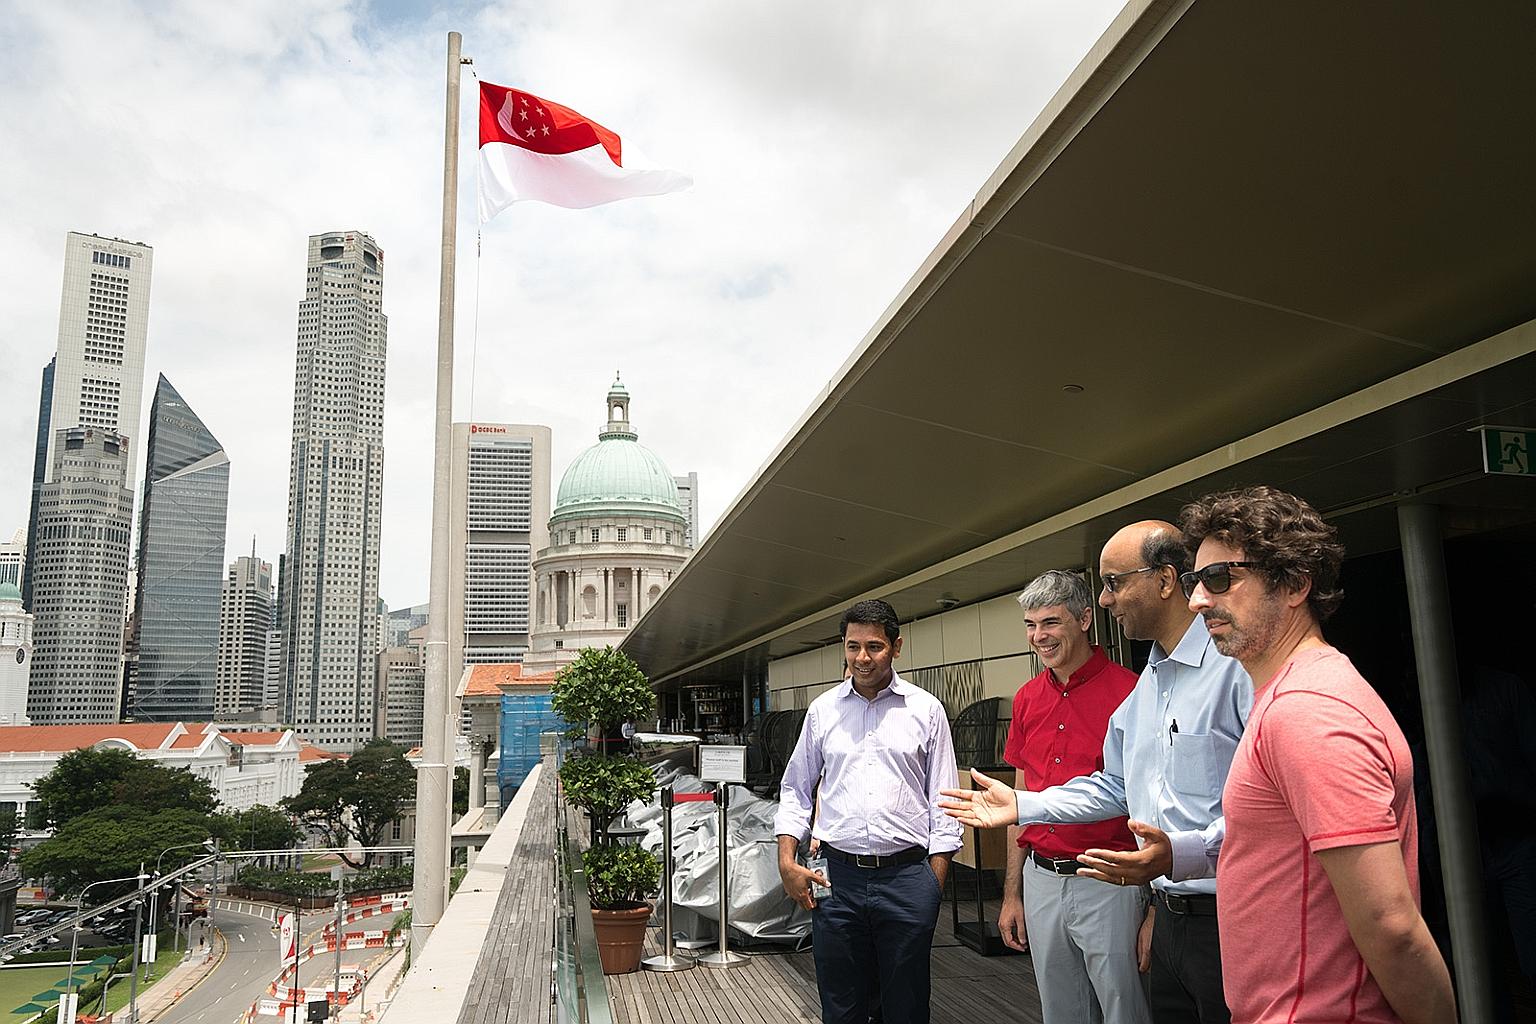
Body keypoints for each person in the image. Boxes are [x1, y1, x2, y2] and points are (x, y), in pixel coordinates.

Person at [946, 523, 1250, 1024]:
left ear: (1167, 580)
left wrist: (1160, 881)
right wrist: (1023, 807)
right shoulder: (1151, 681)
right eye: (1030, 625)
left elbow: (1264, 810)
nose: (1108, 599)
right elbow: (1116, 786)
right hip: (1145, 902)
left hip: (1204, 909)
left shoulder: (1227, 670)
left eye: (1114, 582)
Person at [1177, 486, 1455, 1023]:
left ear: (1295, 584)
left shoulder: (1307, 712)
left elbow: (1392, 926)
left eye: (1219, 579)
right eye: (1194, 580)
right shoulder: (1292, 695)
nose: (1197, 600)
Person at [774, 599, 963, 1024]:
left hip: (907, 877)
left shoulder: (926, 709)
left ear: (897, 647)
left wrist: (931, 883)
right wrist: (787, 860)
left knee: (907, 1006)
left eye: (874, 647)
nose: (862, 658)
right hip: (835, 879)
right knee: (841, 1007)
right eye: (853, 646)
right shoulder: (824, 710)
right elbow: (796, 790)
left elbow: (945, 800)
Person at [998, 570, 1151, 1024]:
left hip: (1110, 880)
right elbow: (1020, 800)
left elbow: (1149, 798)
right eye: (1030, 625)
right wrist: (1013, 894)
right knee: (1060, 1011)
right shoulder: (1026, 699)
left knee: (1125, 1009)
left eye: (1050, 622)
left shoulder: (1133, 691)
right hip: (1042, 877)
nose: (1038, 636)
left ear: (1085, 619)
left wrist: (1156, 906)